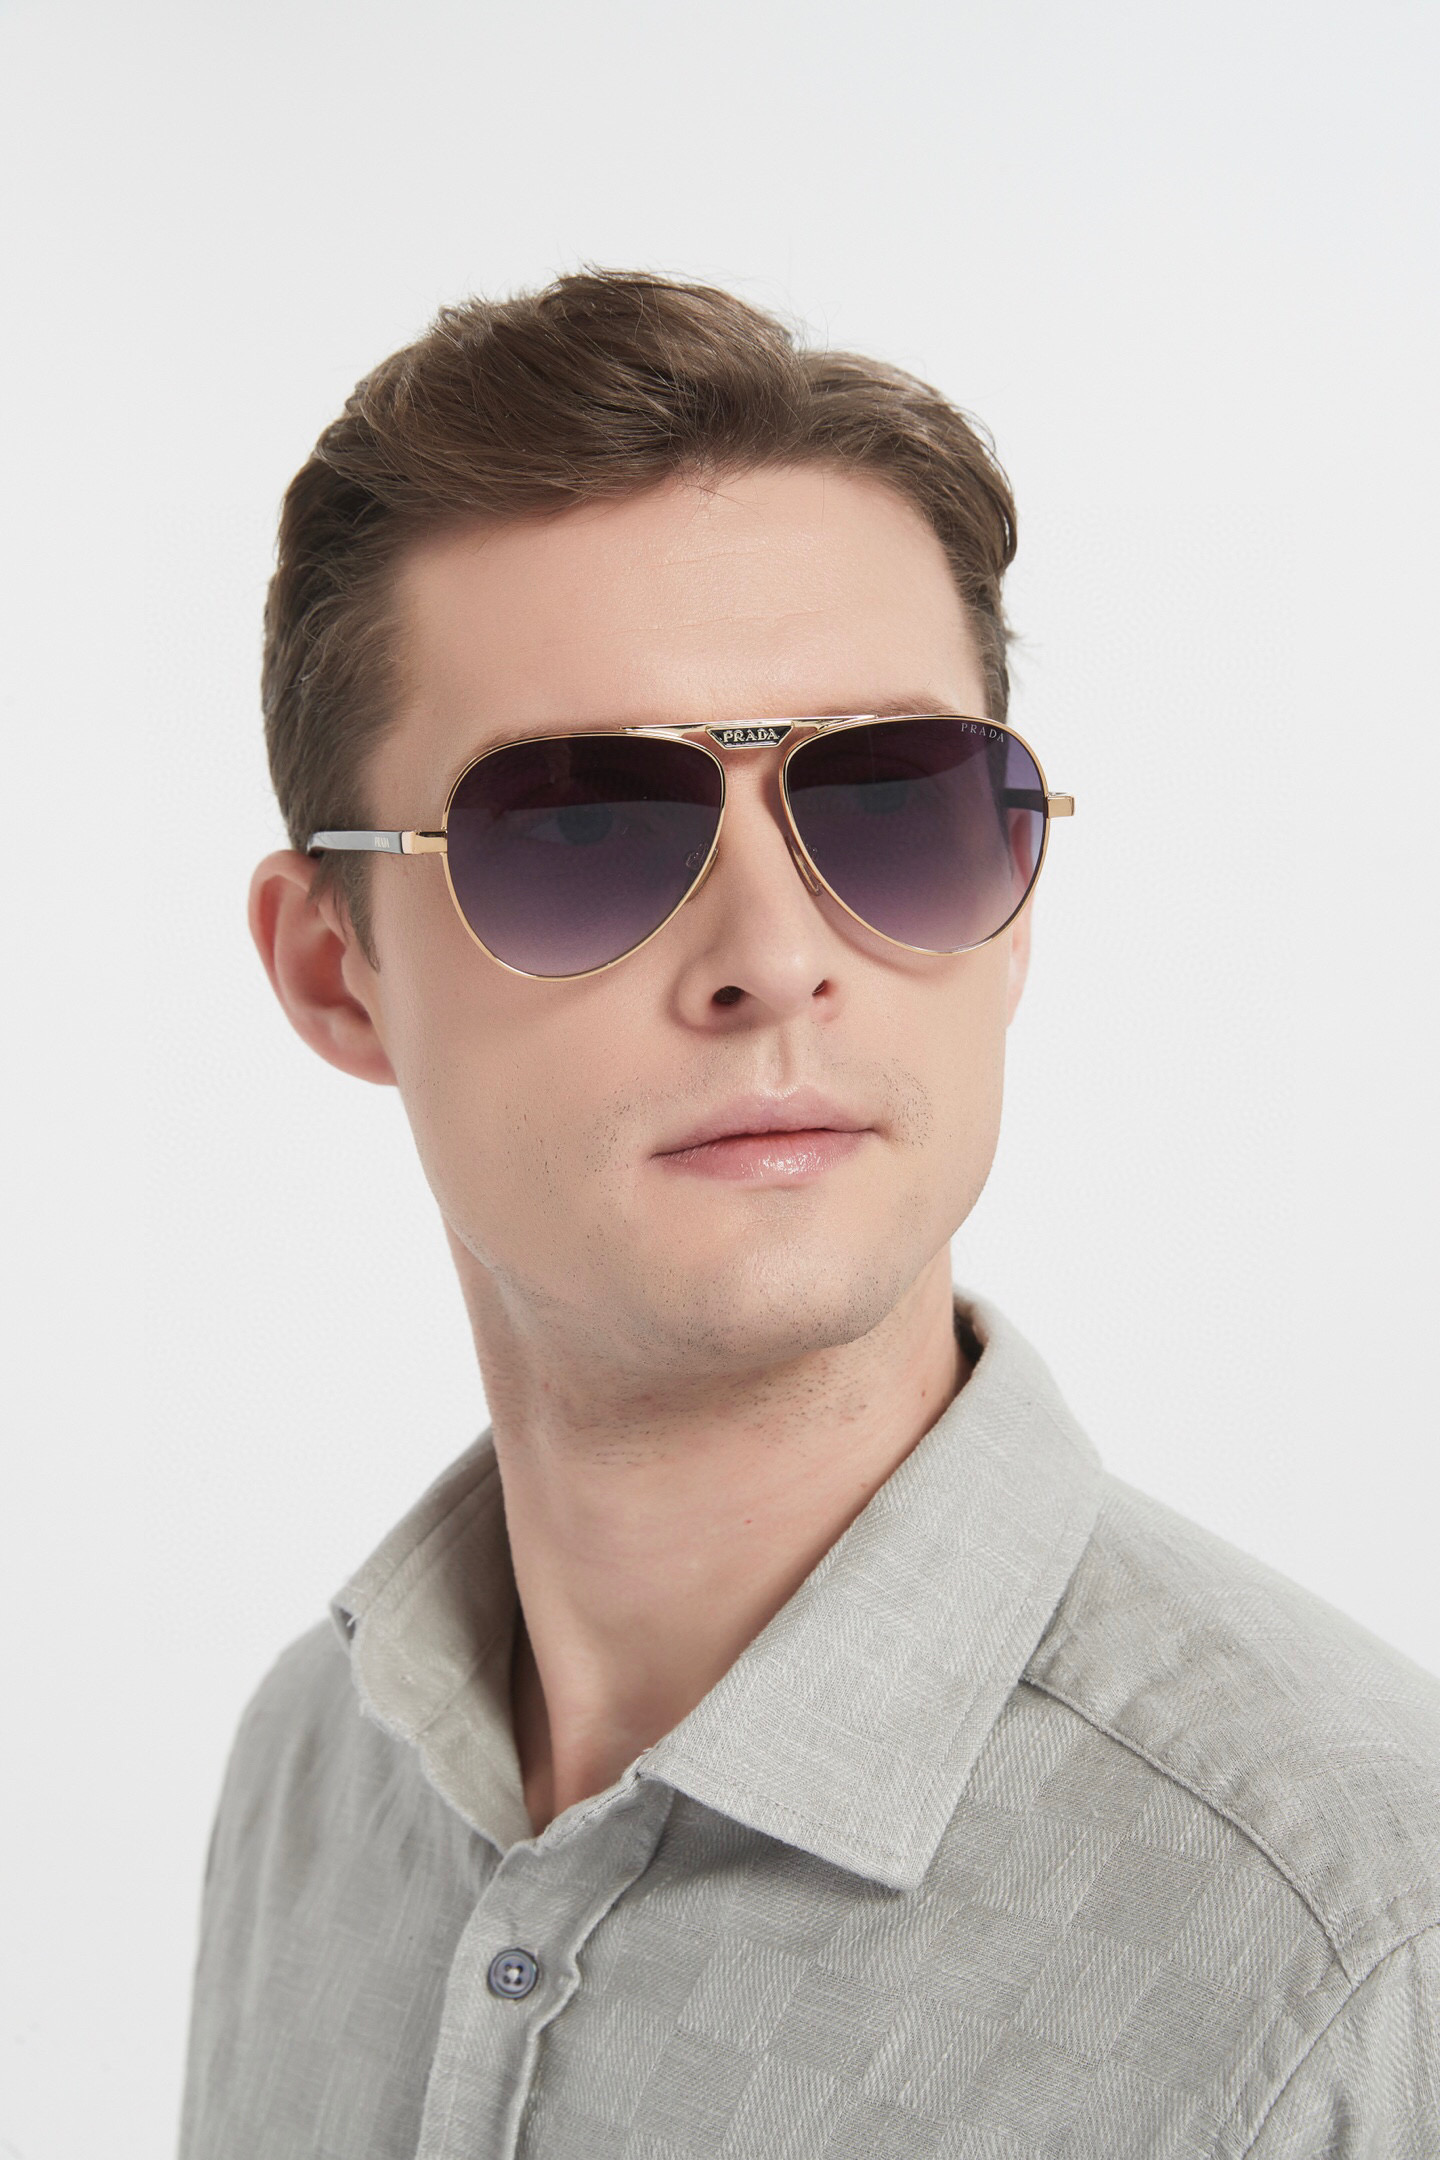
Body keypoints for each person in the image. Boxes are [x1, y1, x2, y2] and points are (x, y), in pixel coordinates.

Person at [179, 271, 1440, 2160]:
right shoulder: (314, 1776)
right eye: (580, 826)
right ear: (331, 970)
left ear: (1016, 899)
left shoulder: (1357, 1947)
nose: (775, 959)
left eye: (893, 804)